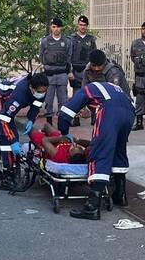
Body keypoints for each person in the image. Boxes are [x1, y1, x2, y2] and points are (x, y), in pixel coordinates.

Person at [58, 81, 135, 219]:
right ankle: (120, 195)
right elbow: (101, 104)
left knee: (100, 151)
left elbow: (66, 112)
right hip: (129, 112)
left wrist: (64, 132)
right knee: (119, 151)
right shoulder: (110, 88)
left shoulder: (87, 89)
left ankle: (92, 207)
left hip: (110, 112)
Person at [0, 72, 50, 188]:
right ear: (31, 87)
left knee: (0, 136)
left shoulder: (41, 89)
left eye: (44, 91)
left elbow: (36, 105)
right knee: (7, 138)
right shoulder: (19, 95)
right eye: (40, 92)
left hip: (7, 101)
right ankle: (7, 177)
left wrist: (31, 119)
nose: (42, 94)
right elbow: (3, 120)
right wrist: (13, 141)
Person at [39, 18, 73, 126]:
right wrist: (47, 67)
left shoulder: (67, 42)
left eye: (58, 27)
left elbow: (69, 57)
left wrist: (69, 71)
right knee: (48, 99)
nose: (56, 29)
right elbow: (41, 56)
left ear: (62, 28)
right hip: (49, 74)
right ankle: (49, 123)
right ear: (50, 27)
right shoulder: (45, 41)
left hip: (62, 74)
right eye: (54, 27)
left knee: (63, 100)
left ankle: (62, 122)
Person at [67, 15, 96, 127]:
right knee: (77, 95)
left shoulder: (91, 39)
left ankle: (94, 116)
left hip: (88, 71)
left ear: (87, 26)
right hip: (76, 71)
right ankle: (76, 118)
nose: (82, 27)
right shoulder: (71, 39)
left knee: (91, 94)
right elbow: (68, 56)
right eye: (80, 25)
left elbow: (94, 55)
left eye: (84, 25)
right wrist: (69, 71)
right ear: (77, 25)